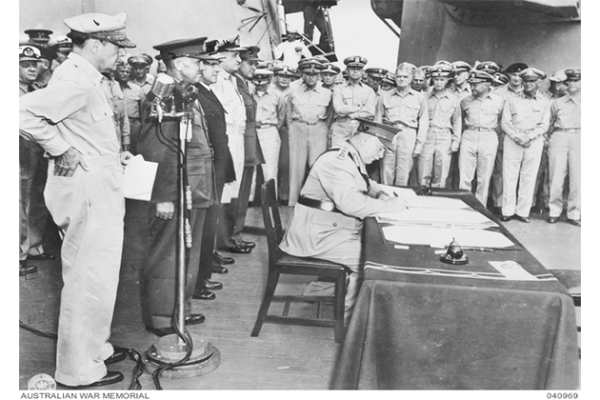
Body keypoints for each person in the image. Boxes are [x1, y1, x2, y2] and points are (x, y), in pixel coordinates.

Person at [19, 12, 136, 388]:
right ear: (97, 44)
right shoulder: (74, 78)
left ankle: (94, 348)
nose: (121, 54)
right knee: (87, 276)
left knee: (97, 273)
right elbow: (24, 113)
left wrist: (112, 154)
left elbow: (87, 128)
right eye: (117, 47)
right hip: (86, 187)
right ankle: (76, 371)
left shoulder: (88, 78)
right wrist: (60, 149)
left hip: (98, 179)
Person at [280, 119, 409, 322]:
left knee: (371, 251)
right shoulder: (338, 161)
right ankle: (351, 322)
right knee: (369, 261)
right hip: (315, 234)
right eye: (380, 148)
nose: (381, 154)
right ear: (366, 140)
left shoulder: (352, 156)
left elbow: (364, 182)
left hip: (329, 228)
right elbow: (350, 203)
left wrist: (379, 192)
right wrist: (389, 206)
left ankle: (318, 291)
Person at [137, 37, 218, 336]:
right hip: (173, 190)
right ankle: (160, 317)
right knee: (166, 252)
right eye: (196, 62)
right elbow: (157, 148)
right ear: (180, 63)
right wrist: (162, 196)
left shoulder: (183, 92)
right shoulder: (165, 94)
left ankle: (179, 309)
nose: (200, 67)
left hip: (193, 186)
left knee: (187, 250)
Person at [193, 47, 237, 299]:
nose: (214, 70)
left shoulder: (207, 92)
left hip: (217, 166)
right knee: (204, 226)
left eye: (215, 65)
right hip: (208, 168)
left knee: (210, 223)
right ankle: (198, 281)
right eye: (210, 65)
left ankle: (203, 274)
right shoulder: (196, 93)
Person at [212, 37, 256, 254]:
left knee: (232, 192)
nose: (239, 59)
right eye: (234, 55)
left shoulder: (232, 80)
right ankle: (220, 243)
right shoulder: (217, 81)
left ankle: (226, 240)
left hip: (237, 138)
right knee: (223, 192)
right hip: (227, 139)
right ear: (220, 57)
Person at [500, 68, 551, 223]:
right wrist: (517, 137)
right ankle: (507, 211)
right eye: (525, 81)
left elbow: (544, 125)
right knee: (509, 175)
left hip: (533, 142)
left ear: (538, 83)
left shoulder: (545, 102)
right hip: (513, 140)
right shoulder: (511, 100)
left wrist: (529, 137)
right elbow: (505, 122)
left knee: (529, 176)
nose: (528, 84)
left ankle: (522, 212)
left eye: (532, 81)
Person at [286, 59, 332, 206]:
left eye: (315, 74)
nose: (311, 77)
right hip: (298, 128)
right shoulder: (293, 91)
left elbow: (330, 114)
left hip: (318, 129)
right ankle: (293, 201)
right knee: (296, 166)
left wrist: (323, 128)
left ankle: (315, 200)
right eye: (307, 74)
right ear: (302, 75)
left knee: (316, 165)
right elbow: (288, 112)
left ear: (319, 76)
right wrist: (293, 128)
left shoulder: (327, 93)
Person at [232, 46, 264, 249]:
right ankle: (232, 236)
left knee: (243, 192)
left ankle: (235, 234)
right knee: (238, 192)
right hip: (241, 143)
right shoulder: (234, 84)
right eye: (250, 63)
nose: (254, 68)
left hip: (249, 142)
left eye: (255, 64)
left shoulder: (244, 84)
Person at [376, 62, 429, 186]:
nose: (401, 79)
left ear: (411, 78)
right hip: (388, 132)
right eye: (399, 76)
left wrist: (419, 144)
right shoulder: (385, 96)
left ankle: (400, 198)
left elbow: (424, 122)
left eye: (405, 76)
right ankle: (386, 196)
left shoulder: (419, 97)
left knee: (404, 169)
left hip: (408, 134)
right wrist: (378, 141)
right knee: (386, 168)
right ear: (395, 78)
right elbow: (378, 119)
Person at [459, 70, 504, 206]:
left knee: (484, 177)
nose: (472, 87)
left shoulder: (499, 101)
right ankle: (463, 205)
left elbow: (502, 122)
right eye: (471, 84)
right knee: (465, 176)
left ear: (486, 85)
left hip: (489, 136)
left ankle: (480, 207)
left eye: (475, 85)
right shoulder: (465, 101)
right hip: (469, 135)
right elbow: (460, 121)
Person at [18, 43, 44, 277]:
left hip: (34, 153)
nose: (31, 69)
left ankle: (31, 247)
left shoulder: (36, 89)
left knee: (32, 202)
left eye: (33, 64)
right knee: (20, 207)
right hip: (21, 153)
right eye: (25, 65)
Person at [490, 62, 528, 213]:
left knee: (521, 172)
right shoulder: (499, 93)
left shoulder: (527, 92)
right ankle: (499, 203)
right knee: (499, 171)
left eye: (520, 75)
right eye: (513, 74)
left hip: (521, 137)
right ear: (508, 75)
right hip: (502, 134)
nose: (517, 78)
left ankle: (518, 206)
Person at [547, 68, 581, 227]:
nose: (571, 84)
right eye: (570, 81)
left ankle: (574, 213)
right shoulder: (558, 102)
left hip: (578, 138)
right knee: (556, 176)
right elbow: (550, 122)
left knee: (577, 179)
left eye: (576, 81)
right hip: (559, 137)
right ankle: (554, 211)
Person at [417, 64, 462, 188]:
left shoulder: (453, 99)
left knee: (441, 171)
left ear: (448, 80)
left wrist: (455, 141)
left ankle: (437, 198)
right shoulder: (424, 97)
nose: (438, 83)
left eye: (442, 79)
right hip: (428, 135)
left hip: (444, 136)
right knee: (423, 168)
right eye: (436, 79)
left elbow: (457, 121)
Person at [532, 70, 569, 214]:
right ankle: (538, 203)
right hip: (545, 140)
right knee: (539, 174)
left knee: (558, 175)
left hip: (561, 142)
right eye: (555, 83)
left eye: (561, 83)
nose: (558, 86)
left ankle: (558, 205)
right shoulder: (546, 99)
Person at [330, 56, 377, 148]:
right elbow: (338, 109)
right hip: (341, 127)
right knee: (337, 158)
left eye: (358, 69)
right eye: (352, 68)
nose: (355, 71)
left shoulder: (369, 91)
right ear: (347, 70)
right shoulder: (338, 89)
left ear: (362, 72)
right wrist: (359, 108)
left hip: (360, 129)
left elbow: (370, 112)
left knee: (358, 159)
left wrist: (353, 115)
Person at [252, 69, 286, 189]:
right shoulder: (249, 93)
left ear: (269, 80)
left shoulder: (277, 95)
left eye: (263, 82)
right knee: (251, 168)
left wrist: (271, 128)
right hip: (252, 132)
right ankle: (248, 203)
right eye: (257, 82)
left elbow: (281, 117)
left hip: (269, 131)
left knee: (270, 168)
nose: (260, 86)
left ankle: (271, 202)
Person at [271, 64, 297, 203]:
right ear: (275, 76)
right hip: (270, 129)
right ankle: (269, 195)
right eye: (281, 75)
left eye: (287, 76)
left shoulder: (295, 91)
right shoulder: (268, 89)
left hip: (286, 130)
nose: (284, 79)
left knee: (285, 163)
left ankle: (283, 195)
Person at [445, 61, 472, 189]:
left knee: (466, 170)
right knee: (448, 168)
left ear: (467, 75)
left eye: (459, 73)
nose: (456, 76)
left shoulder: (473, 91)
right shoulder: (447, 91)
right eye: (454, 74)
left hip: (468, 134)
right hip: (451, 134)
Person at [113, 59, 145, 154]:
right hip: (117, 123)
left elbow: (143, 110)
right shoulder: (112, 88)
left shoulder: (137, 89)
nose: (125, 74)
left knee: (133, 150)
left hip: (133, 125)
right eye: (122, 71)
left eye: (127, 72)